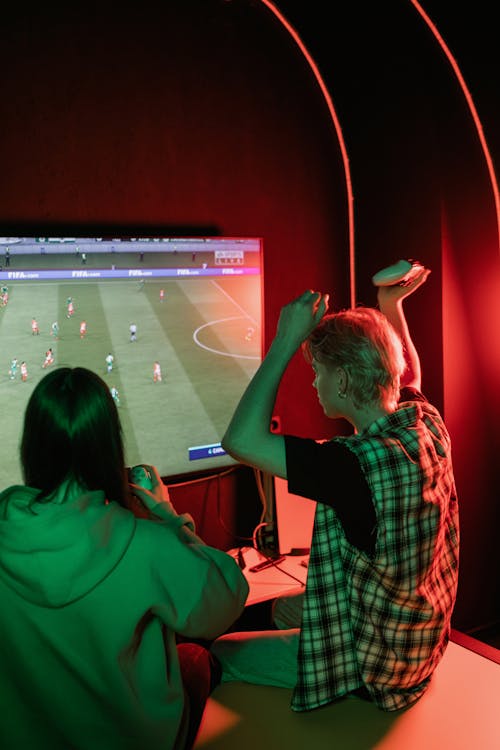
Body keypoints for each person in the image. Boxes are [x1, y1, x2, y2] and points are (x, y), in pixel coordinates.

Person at [211, 262, 459, 714]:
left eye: (318, 372)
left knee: (221, 651)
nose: (313, 381)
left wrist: (286, 339)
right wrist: (391, 306)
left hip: (378, 664)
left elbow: (240, 440)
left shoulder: (350, 468)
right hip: (420, 634)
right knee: (281, 608)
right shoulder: (425, 423)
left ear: (342, 381)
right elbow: (411, 377)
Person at [0, 367, 248, 749]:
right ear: (108, 448)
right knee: (198, 660)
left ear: (32, 444)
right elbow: (228, 594)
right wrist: (168, 517)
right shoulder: (143, 543)